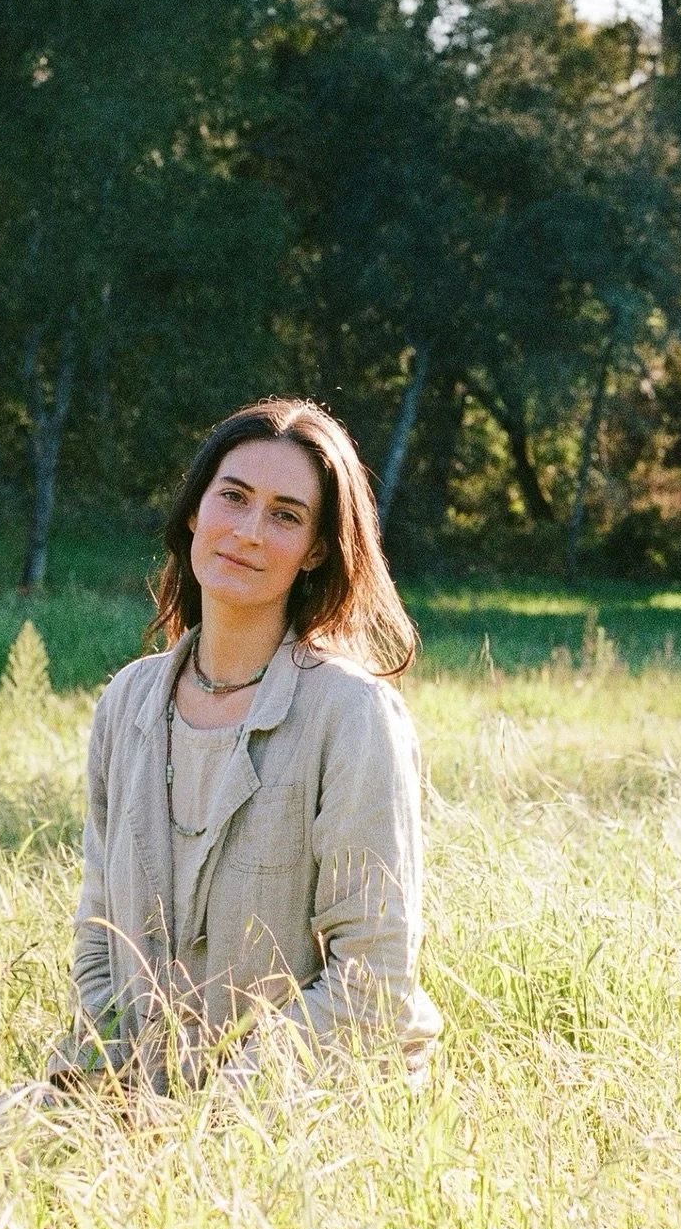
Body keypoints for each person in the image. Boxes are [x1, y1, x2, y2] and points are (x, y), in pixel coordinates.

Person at [48, 397, 442, 1097]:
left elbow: (373, 977)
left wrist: (215, 1113)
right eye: (233, 497)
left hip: (303, 1102)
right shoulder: (127, 702)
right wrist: (102, 1089)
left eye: (286, 515)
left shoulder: (352, 714)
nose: (249, 532)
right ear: (195, 512)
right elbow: (98, 938)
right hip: (145, 1090)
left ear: (316, 549)